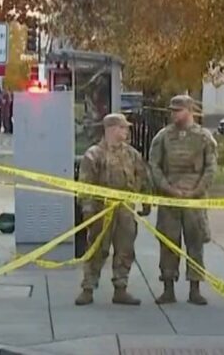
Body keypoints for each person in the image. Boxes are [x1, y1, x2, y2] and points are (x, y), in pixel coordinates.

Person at [75, 113, 151, 306]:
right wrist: (88, 212)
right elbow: (85, 186)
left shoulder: (132, 154)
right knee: (97, 249)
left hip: (125, 210)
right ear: (111, 129)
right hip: (101, 210)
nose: (126, 131)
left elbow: (142, 177)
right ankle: (88, 288)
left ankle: (121, 288)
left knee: (125, 249)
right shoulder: (94, 154)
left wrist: (146, 201)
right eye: (122, 128)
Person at [148, 95, 217, 306]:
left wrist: (197, 190)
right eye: (172, 110)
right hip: (170, 199)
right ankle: (168, 287)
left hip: (194, 200)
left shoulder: (204, 137)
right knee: (169, 242)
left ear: (190, 110)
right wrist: (167, 188)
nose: (174, 114)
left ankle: (194, 288)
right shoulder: (163, 137)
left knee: (195, 242)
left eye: (178, 110)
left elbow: (211, 167)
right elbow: (154, 165)